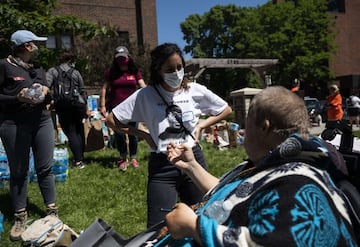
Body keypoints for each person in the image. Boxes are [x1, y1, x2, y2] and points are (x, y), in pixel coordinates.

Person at [164, 86, 357, 246]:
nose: (242, 132)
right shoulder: (274, 164)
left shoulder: (298, 186)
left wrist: (194, 226)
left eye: (246, 125)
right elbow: (238, 197)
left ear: (264, 127)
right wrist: (191, 166)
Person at [106, 43, 232, 227]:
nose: (176, 73)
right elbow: (112, 119)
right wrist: (142, 134)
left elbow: (225, 109)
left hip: (193, 160)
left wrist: (201, 126)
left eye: (179, 67)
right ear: (158, 70)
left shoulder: (194, 90)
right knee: (158, 226)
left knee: (202, 220)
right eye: (170, 69)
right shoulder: (145, 95)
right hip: (162, 165)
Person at [0, 30, 57, 241]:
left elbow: (46, 90)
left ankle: (52, 211)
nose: (37, 46)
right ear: (25, 46)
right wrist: (17, 97)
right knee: (19, 170)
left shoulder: (37, 68)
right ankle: (20, 215)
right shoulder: (4, 66)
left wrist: (45, 91)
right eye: (35, 43)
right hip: (14, 124)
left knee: (45, 167)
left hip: (41, 120)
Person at [100, 46, 146, 171]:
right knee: (119, 133)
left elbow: (142, 85)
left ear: (128, 57)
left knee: (133, 133)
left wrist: (149, 96)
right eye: (118, 58)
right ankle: (123, 158)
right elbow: (104, 88)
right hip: (116, 108)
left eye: (123, 57)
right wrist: (102, 105)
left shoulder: (134, 71)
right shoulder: (111, 72)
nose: (121, 60)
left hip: (133, 108)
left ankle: (133, 158)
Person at [46, 51, 90, 169]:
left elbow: (46, 87)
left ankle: (78, 160)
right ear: (71, 61)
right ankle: (81, 157)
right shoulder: (76, 72)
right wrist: (86, 107)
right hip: (78, 105)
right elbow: (82, 90)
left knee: (70, 131)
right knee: (79, 130)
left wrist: (51, 100)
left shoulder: (53, 71)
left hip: (63, 105)